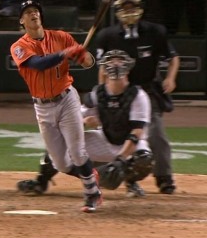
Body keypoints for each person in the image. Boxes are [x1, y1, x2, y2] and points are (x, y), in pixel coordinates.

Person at [17, 50, 155, 197]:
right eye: (111, 61)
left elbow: (137, 132)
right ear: (104, 67)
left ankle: (131, 183)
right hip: (104, 140)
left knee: (144, 159)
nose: (116, 64)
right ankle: (41, 182)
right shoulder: (97, 94)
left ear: (128, 66)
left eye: (119, 61)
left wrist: (121, 159)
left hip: (129, 144)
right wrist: (83, 122)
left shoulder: (138, 95)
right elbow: (73, 119)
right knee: (61, 145)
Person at [10, 0, 102, 213]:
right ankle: (89, 174)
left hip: (67, 100)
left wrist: (83, 57)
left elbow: (88, 62)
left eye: (35, 11)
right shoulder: (19, 46)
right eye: (28, 13)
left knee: (78, 152)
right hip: (42, 107)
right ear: (22, 21)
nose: (33, 14)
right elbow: (38, 65)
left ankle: (92, 194)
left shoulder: (61, 37)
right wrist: (64, 54)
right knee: (60, 163)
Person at [95, 0, 179, 195]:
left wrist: (170, 78)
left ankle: (164, 178)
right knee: (116, 136)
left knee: (156, 135)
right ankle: (123, 178)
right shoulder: (107, 36)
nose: (129, 12)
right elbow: (102, 68)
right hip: (119, 92)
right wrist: (102, 92)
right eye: (125, 8)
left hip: (147, 91)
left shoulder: (155, 32)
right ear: (117, 13)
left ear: (140, 10)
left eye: (133, 8)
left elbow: (173, 57)